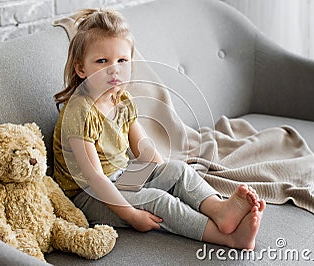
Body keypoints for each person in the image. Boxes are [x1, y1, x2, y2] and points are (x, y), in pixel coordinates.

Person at [53, 8, 265, 250]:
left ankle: (219, 210)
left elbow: (145, 150)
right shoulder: (80, 111)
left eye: (122, 61)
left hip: (122, 178)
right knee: (158, 200)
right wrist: (133, 215)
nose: (115, 69)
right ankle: (227, 238)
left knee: (178, 170)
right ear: (82, 69)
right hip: (89, 196)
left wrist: (165, 175)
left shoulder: (121, 100)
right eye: (102, 61)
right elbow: (95, 178)